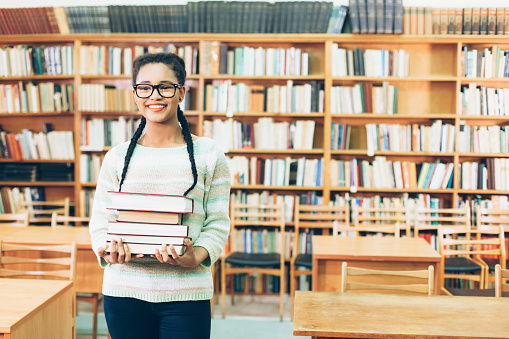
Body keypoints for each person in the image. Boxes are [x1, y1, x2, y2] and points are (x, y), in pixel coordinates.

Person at [89, 52, 231, 339]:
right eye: (145, 87)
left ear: (181, 93)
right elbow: (101, 222)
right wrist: (106, 249)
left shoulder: (209, 154)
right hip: (124, 291)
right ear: (135, 94)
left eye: (165, 86)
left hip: (187, 294)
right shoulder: (116, 157)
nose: (155, 95)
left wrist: (197, 257)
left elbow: (217, 223)